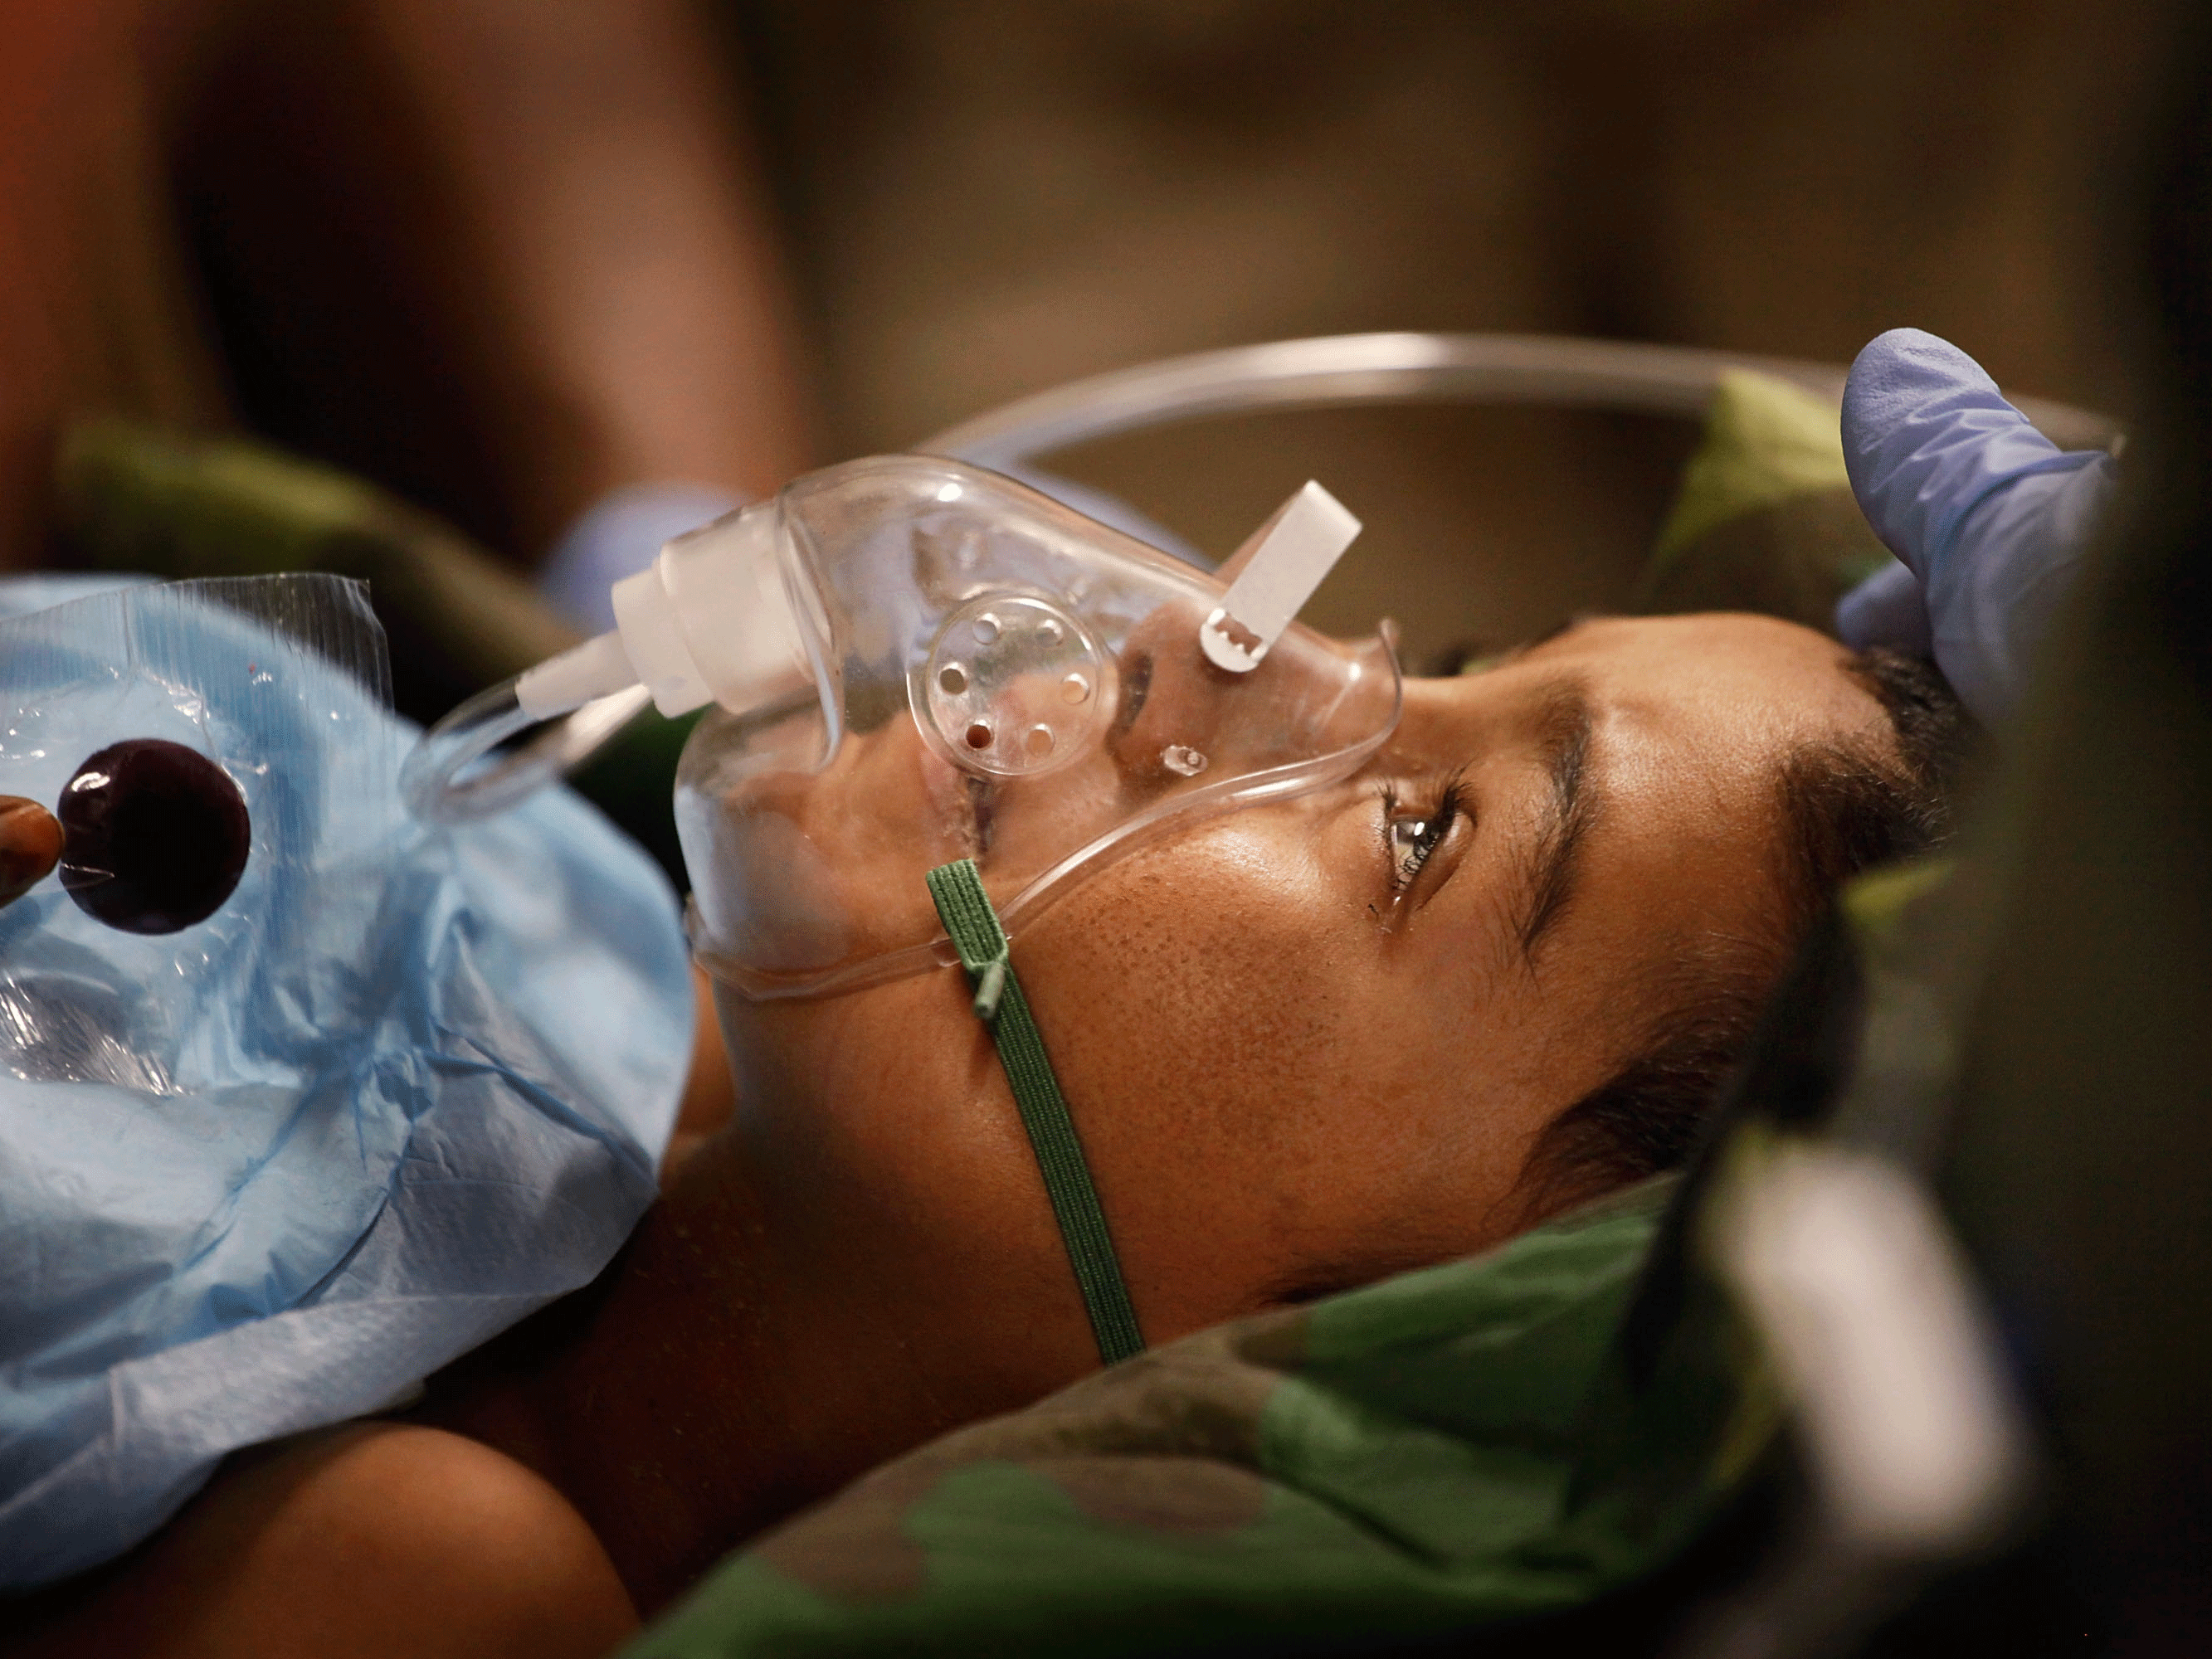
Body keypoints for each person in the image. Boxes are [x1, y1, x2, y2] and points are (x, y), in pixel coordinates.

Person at [8, 603, 1967, 1657]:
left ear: (1346, 1349)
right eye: (1445, 649)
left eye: (1418, 826)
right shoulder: (531, 914)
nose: (1237, 646)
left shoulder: (424, 1585)